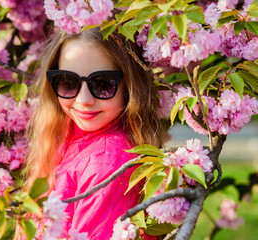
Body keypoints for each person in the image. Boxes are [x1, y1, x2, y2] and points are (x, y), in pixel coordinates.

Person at [25, 28, 165, 239]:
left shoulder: (105, 164)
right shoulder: (68, 136)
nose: (83, 100)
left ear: (129, 85)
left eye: (102, 84)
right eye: (68, 82)